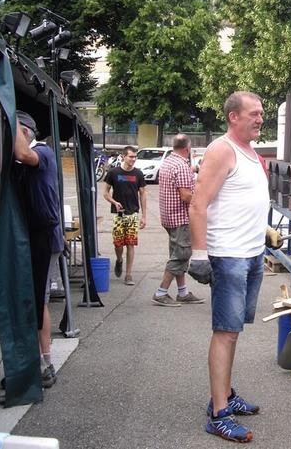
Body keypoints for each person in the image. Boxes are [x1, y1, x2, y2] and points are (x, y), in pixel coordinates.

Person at [189, 91, 269, 443]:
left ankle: (225, 394)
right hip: (230, 256)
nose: (260, 118)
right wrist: (199, 253)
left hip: (251, 253)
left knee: (234, 330)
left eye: (262, 113)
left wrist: (264, 232)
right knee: (224, 331)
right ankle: (219, 413)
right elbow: (198, 203)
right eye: (253, 113)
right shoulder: (222, 149)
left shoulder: (251, 153)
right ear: (233, 117)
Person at [13, 111, 62, 388]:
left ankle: (46, 365)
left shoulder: (42, 152)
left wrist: (13, 127)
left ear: (26, 132)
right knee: (30, 298)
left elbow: (23, 155)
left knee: (38, 299)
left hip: (45, 236)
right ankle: (31, 363)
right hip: (31, 236)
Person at [153, 134, 204, 307]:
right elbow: (186, 195)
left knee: (177, 254)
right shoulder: (181, 165)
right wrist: (204, 200)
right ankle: (161, 292)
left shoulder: (167, 161)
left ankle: (182, 292)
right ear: (187, 148)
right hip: (180, 217)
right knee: (181, 255)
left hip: (168, 216)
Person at [103, 146, 146, 285]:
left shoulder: (138, 174)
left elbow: (143, 194)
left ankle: (128, 274)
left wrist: (144, 216)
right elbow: (105, 192)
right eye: (130, 156)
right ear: (123, 157)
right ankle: (119, 260)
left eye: (135, 157)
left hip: (133, 213)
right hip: (118, 214)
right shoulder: (113, 172)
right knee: (118, 244)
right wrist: (114, 202)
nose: (133, 159)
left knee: (131, 244)